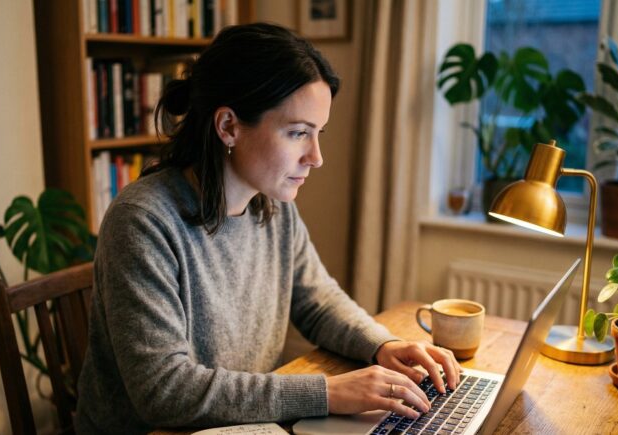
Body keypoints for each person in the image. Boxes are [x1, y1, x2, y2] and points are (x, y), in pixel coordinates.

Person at [75, 22, 461, 434]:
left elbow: (318, 301)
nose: (316, 157)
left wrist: (383, 345)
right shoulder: (142, 222)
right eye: (298, 133)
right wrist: (327, 393)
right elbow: (165, 391)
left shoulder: (270, 205)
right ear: (228, 127)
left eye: (318, 134)